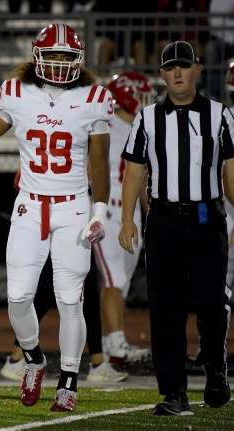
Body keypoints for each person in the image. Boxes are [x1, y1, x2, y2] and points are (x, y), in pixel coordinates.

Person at [0, 23, 113, 412]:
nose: (58, 63)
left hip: (73, 206)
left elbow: (100, 163)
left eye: (65, 56)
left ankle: (70, 381)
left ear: (78, 60)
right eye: (52, 55)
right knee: (18, 296)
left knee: (69, 299)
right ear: (36, 57)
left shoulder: (95, 97)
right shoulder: (15, 92)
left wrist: (100, 211)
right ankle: (34, 359)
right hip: (30, 205)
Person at [119, 41, 233, 416]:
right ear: (163, 74)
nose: (178, 73)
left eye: (184, 66)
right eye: (171, 68)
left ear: (198, 69)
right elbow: (134, 170)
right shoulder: (146, 118)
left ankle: (215, 365)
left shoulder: (220, 115)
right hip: (164, 219)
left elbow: (231, 175)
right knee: (165, 310)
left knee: (211, 302)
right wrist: (126, 219)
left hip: (206, 217)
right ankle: (174, 393)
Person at [0, 173, 128, 383]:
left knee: (71, 293)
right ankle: (24, 357)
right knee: (35, 293)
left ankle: (87, 364)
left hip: (69, 214)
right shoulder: (42, 152)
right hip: (42, 216)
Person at [94, 71, 154, 365]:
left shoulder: (139, 127)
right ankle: (116, 344)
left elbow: (142, 179)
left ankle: (109, 345)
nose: (146, 102)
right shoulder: (106, 126)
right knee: (113, 279)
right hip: (109, 209)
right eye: (142, 95)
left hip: (132, 213)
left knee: (122, 283)